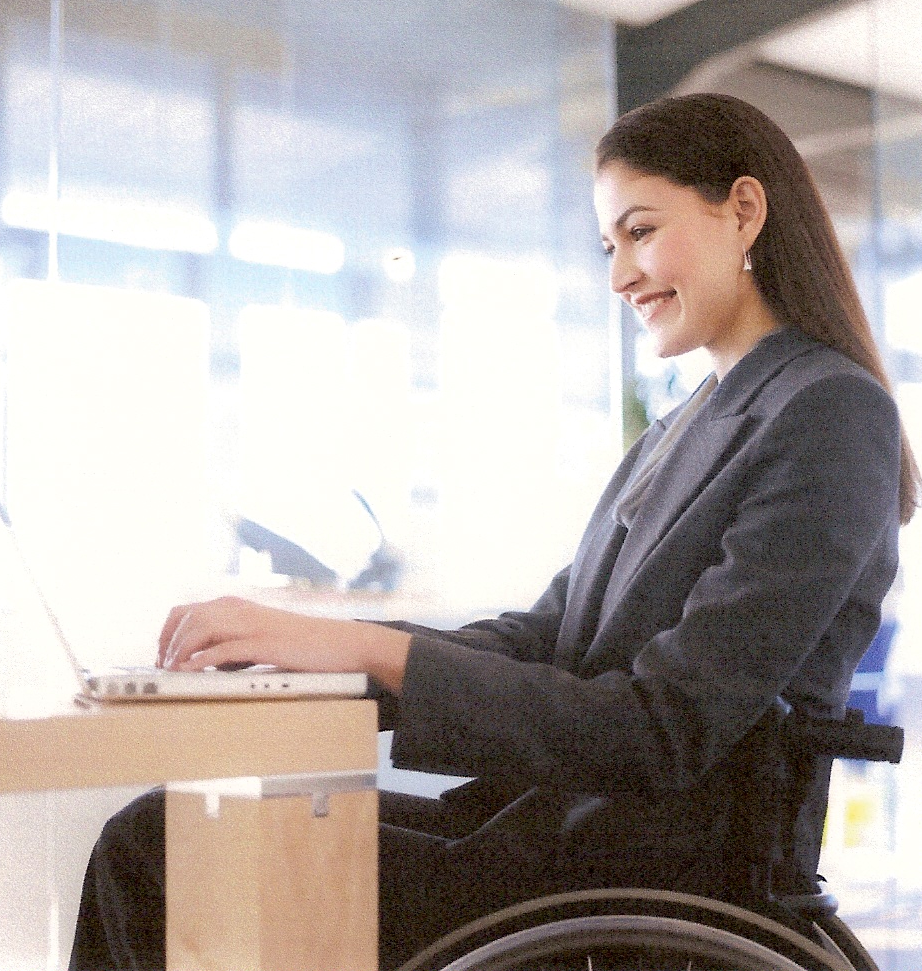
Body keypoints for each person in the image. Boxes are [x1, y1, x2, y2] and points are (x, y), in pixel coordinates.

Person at [69, 93, 919, 971]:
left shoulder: (827, 414)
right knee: (165, 830)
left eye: (639, 231)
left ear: (743, 210)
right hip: (563, 840)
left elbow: (663, 726)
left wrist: (361, 645)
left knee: (159, 851)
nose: (619, 274)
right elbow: (544, 640)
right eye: (607, 246)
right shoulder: (687, 423)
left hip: (641, 873)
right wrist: (318, 655)